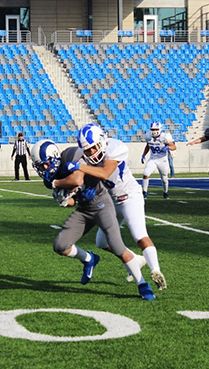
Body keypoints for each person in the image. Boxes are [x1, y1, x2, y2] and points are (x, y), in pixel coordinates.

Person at [30, 139, 156, 301]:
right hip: (84, 208)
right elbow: (72, 200)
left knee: (116, 245)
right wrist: (65, 201)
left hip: (102, 202)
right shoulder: (50, 180)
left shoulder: (70, 155)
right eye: (41, 167)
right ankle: (89, 259)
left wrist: (57, 183)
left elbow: (77, 180)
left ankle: (142, 283)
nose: (45, 169)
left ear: (54, 156)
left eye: (46, 164)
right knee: (60, 245)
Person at [71, 123, 167, 290]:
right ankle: (136, 259)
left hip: (130, 196)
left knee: (139, 235)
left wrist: (79, 166)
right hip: (111, 201)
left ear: (101, 141)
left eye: (93, 148)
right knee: (101, 242)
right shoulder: (85, 158)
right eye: (87, 151)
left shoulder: (115, 147)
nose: (91, 153)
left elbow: (105, 173)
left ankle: (156, 270)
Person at [140, 121, 176, 199]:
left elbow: (174, 147)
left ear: (160, 129)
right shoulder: (148, 136)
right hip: (153, 159)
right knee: (145, 174)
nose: (154, 131)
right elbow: (148, 146)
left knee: (164, 179)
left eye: (156, 129)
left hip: (162, 160)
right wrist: (143, 154)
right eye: (152, 129)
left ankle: (165, 192)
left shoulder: (165, 136)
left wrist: (168, 147)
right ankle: (144, 192)